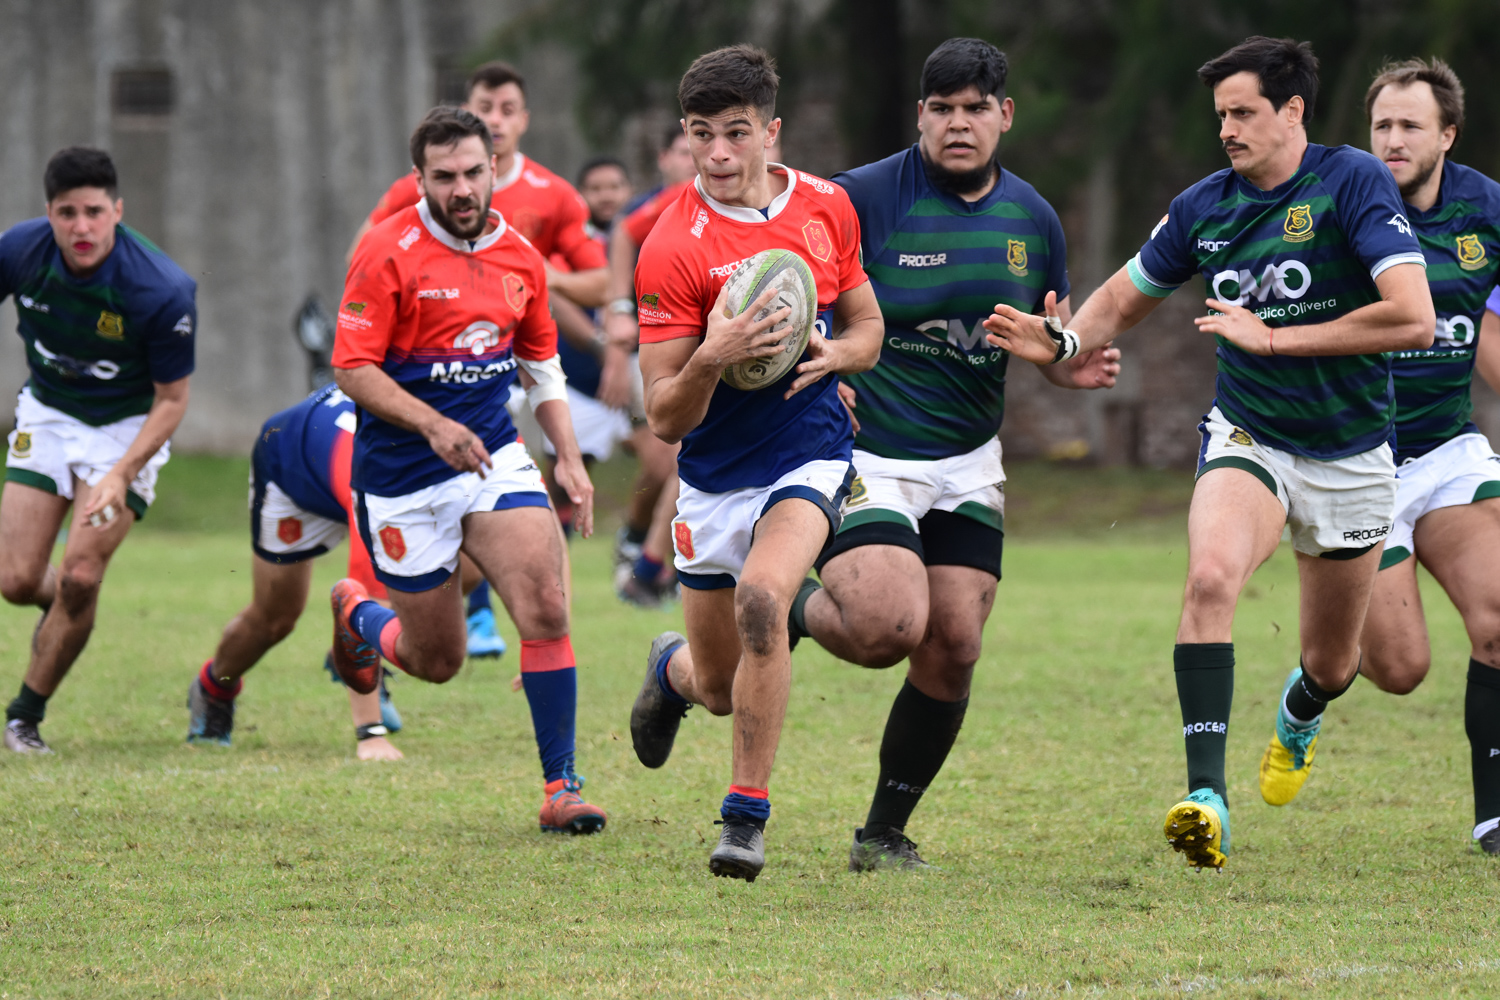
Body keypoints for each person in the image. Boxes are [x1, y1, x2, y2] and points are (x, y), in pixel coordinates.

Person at [983, 36, 1434, 869]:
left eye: (1243, 113)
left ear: (1292, 111)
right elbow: (1124, 295)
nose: (1225, 130)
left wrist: (1275, 337)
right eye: (1219, 115)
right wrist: (1065, 338)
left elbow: (1412, 316)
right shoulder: (1203, 206)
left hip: (1352, 452)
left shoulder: (1351, 182)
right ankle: (1206, 796)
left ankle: (1302, 709)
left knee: (1336, 663)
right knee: (1210, 577)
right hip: (1250, 435)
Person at [789, 38, 1121, 871]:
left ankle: (883, 833)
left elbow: (1052, 333)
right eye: (942, 109)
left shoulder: (1033, 219)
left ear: (1004, 115)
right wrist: (819, 365)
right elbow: (790, 293)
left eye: (976, 108)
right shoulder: (861, 198)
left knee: (956, 644)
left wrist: (1065, 362)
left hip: (969, 458)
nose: (958, 124)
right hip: (869, 453)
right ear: (921, 117)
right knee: (884, 629)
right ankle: (786, 602)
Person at [627, 45, 884, 880]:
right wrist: (713, 354)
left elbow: (869, 330)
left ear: (772, 131)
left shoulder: (827, 208)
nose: (719, 155)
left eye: (737, 133)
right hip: (712, 472)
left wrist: (836, 357)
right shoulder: (671, 246)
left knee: (765, 599)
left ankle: (744, 818)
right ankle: (668, 672)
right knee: (712, 683)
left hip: (807, 449)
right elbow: (663, 415)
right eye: (701, 134)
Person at [328, 106, 607, 834]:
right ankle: (357, 614)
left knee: (545, 606)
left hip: (491, 454)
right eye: (444, 176)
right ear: (418, 178)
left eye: (474, 173)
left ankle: (561, 787)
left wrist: (569, 459)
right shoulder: (387, 252)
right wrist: (429, 422)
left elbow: (541, 365)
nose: (461, 189)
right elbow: (352, 367)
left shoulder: (519, 257)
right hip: (400, 476)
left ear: (494, 170)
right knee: (436, 660)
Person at [349, 62, 610, 657]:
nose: (495, 119)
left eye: (506, 109)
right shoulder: (413, 195)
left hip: (509, 372)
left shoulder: (551, 196)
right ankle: (404, 615)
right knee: (438, 651)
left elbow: (598, 283)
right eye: (484, 108)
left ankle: (537, 629)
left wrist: (524, 288)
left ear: (521, 123)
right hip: (417, 391)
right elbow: (361, 265)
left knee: (535, 535)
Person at [0, 147, 195, 755]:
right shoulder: (18, 252)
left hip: (126, 424)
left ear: (117, 210)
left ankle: (24, 718)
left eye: (93, 212)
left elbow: (172, 401)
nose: (81, 228)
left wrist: (122, 471)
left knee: (82, 572)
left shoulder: (160, 289)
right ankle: (71, 610)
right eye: (66, 213)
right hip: (50, 412)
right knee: (15, 579)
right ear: (49, 214)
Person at [1358, 58, 1500, 857]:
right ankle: (1313, 683)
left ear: (1447, 134)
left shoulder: (1487, 211)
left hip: (1447, 452)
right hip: (1355, 466)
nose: (1393, 140)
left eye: (1411, 125)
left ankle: (1493, 814)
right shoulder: (1337, 204)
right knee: (1401, 669)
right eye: (1382, 125)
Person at [185, 384, 405, 760]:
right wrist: (371, 736)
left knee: (457, 570)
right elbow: (359, 595)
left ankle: (348, 660)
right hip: (292, 473)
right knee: (276, 618)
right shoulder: (376, 462)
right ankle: (213, 687)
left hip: (346, 467)